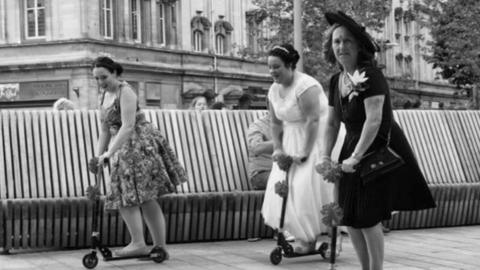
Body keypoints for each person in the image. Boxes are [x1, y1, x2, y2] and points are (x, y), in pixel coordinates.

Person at [319, 11, 436, 270]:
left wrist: (356, 157)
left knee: (368, 216)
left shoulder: (371, 75)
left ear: (359, 45)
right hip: (351, 148)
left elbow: (374, 120)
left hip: (375, 149)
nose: (341, 46)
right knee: (349, 217)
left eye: (347, 41)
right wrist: (325, 156)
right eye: (336, 41)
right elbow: (331, 122)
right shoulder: (336, 80)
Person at [90, 56, 187, 257]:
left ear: (115, 73)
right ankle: (140, 243)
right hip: (123, 147)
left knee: (144, 196)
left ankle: (153, 245)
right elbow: (105, 130)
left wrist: (109, 153)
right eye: (97, 79)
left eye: (104, 77)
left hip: (139, 145)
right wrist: (99, 157)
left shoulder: (126, 92)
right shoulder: (104, 96)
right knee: (128, 195)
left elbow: (128, 126)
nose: (101, 83)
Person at [261, 44, 334, 253]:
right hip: (289, 140)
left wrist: (305, 152)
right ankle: (306, 240)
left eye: (277, 67)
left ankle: (333, 241)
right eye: (270, 67)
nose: (273, 72)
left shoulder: (306, 86)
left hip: (314, 140)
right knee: (286, 191)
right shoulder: (274, 89)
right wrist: (278, 148)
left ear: (291, 65)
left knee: (310, 190)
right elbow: (275, 122)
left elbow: (313, 119)